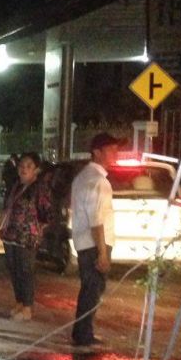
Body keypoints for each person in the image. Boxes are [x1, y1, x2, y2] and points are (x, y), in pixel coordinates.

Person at [70, 133, 118, 347]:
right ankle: (83, 335)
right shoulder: (98, 181)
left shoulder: (83, 177)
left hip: (85, 243)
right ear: (97, 152)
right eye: (111, 150)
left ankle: (82, 332)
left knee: (89, 289)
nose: (115, 154)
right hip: (93, 244)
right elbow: (96, 221)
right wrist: (102, 253)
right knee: (92, 290)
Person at [0, 152, 52, 321]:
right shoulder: (16, 186)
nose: (24, 169)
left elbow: (47, 213)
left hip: (27, 236)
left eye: (29, 166)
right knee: (14, 270)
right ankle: (19, 302)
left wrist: (36, 228)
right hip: (11, 234)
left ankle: (28, 307)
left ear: (37, 170)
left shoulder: (40, 189)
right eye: (21, 166)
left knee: (25, 270)